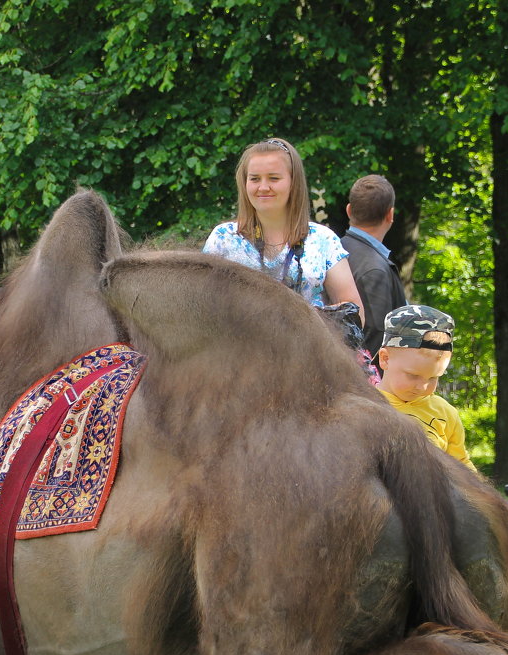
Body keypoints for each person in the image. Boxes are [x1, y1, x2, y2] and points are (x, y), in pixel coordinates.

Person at [203, 137, 364, 321]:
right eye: (255, 179)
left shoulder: (323, 239)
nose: (263, 187)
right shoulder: (223, 239)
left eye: (274, 178)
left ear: (293, 182)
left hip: (310, 348)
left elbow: (354, 312)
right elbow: (199, 307)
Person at [375, 305, 476, 471]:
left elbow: (462, 466)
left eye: (433, 378)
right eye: (413, 375)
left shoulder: (445, 413)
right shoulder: (365, 405)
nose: (422, 387)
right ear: (385, 359)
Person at [342, 175, 406, 358]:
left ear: (349, 210)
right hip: (367, 383)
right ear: (390, 214)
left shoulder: (334, 253)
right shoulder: (374, 269)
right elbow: (376, 338)